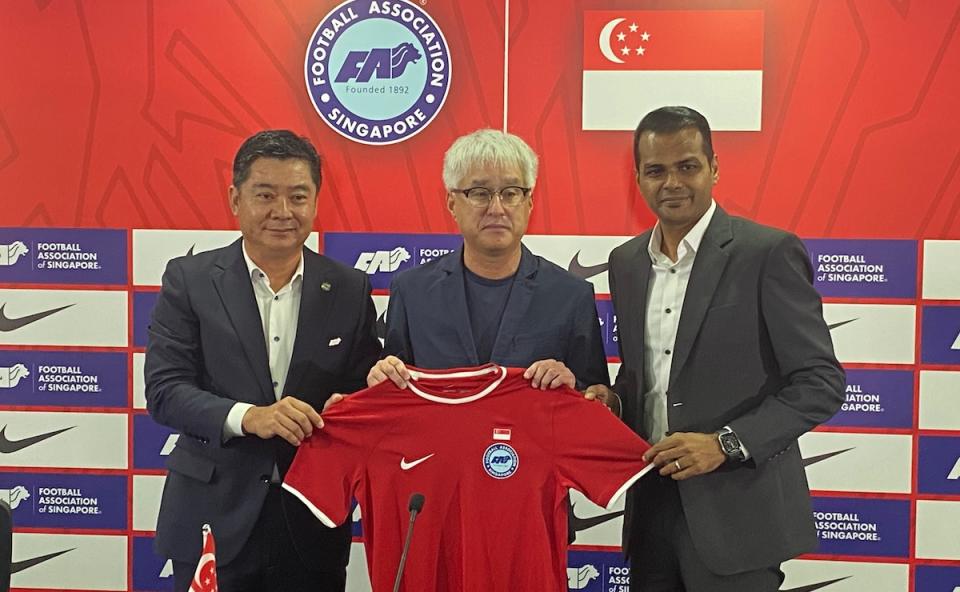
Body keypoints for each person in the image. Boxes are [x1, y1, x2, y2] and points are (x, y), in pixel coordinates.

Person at [585, 106, 845, 591]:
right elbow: (644, 379)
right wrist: (613, 402)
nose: (672, 183)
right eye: (656, 171)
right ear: (637, 177)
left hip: (739, 516)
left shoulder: (767, 253)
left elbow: (820, 383)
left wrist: (724, 445)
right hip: (650, 511)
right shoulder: (625, 262)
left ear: (715, 167)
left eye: (688, 166)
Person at [145, 130, 381, 592]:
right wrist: (251, 417)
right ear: (236, 198)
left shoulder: (350, 288)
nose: (282, 211)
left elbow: (363, 392)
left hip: (312, 521)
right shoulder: (190, 280)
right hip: (212, 517)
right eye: (265, 195)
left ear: (315, 201)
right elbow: (165, 392)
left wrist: (347, 407)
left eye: (298, 196)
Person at [361, 128, 608, 392]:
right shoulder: (412, 291)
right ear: (452, 203)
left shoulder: (571, 295)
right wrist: (383, 376)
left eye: (511, 193)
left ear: (530, 202)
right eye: (480, 193)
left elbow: (595, 398)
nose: (497, 208)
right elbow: (393, 393)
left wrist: (574, 386)